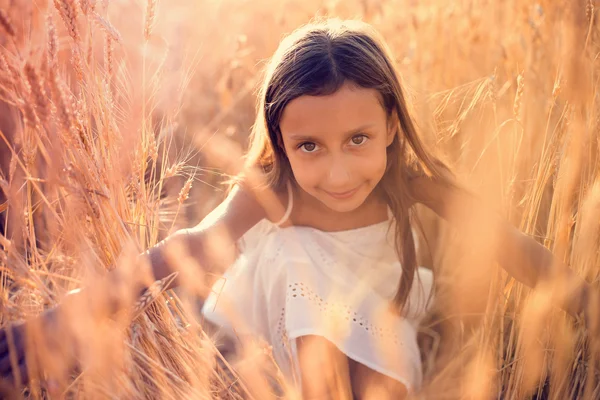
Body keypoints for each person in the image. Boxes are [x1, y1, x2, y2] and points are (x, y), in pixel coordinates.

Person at [0, 18, 594, 399]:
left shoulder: (412, 184)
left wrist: (584, 303)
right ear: (281, 141)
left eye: (357, 140)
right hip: (298, 324)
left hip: (382, 325)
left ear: (390, 125)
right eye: (309, 147)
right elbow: (181, 250)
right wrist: (66, 317)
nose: (337, 174)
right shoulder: (273, 192)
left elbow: (510, 244)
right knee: (294, 255)